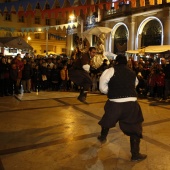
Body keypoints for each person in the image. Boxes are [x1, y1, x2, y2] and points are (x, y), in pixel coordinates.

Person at [97, 54, 147, 162]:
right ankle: (135, 154)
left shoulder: (110, 70)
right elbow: (135, 85)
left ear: (116, 62)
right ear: (126, 62)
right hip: (131, 104)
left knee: (107, 120)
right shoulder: (132, 72)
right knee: (135, 127)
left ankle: (102, 137)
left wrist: (110, 92)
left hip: (115, 103)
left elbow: (101, 87)